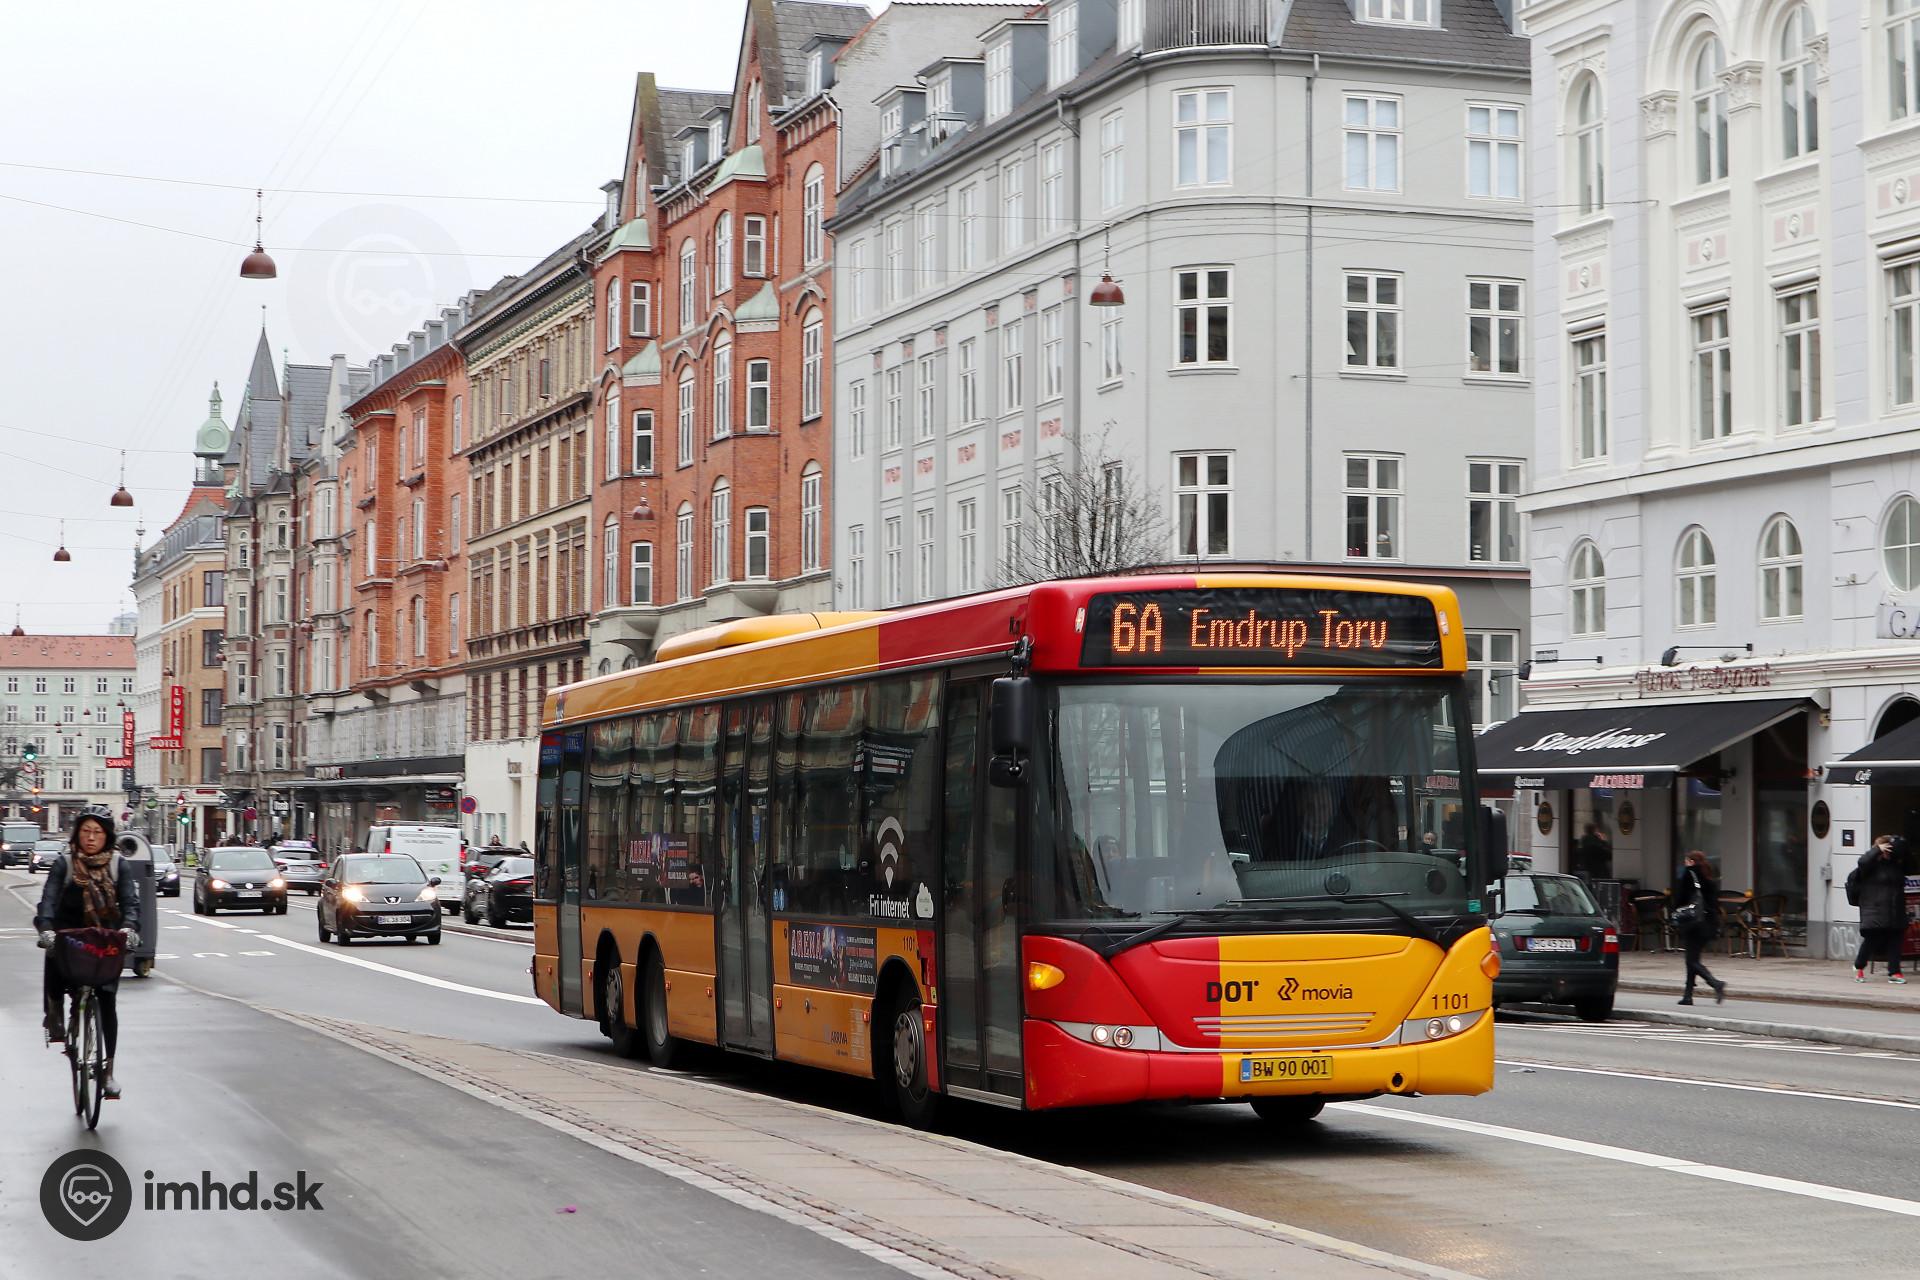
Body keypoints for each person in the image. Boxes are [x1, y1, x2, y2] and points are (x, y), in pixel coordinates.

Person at [34, 807, 142, 1099]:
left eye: (97, 832)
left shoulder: (118, 865)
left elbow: (130, 903)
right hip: (70, 935)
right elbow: (48, 900)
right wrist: (46, 928)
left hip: (105, 939)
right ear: (77, 834)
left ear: (107, 836)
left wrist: (130, 928)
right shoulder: (65, 863)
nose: (91, 838)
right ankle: (54, 1011)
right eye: (85, 831)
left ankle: (108, 1072)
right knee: (53, 950)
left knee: (107, 1001)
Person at [1852, 835, 1910, 984]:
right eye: (1886, 849)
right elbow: (1862, 862)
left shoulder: (1895, 865)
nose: (1888, 853)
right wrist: (1877, 850)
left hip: (1895, 910)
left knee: (1895, 941)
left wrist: (1903, 850)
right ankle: (1859, 967)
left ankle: (1895, 972)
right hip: (1876, 911)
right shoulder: (1869, 867)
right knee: (1871, 940)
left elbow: (1911, 866)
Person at [1675, 849, 1726, 1006]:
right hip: (1708, 923)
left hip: (1694, 923)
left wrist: (1676, 911)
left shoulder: (1689, 874)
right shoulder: (1708, 875)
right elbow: (1715, 902)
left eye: (1686, 861)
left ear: (1691, 862)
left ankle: (1715, 983)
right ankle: (1688, 996)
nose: (1685, 864)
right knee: (1693, 959)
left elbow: (1681, 898)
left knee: (1691, 960)